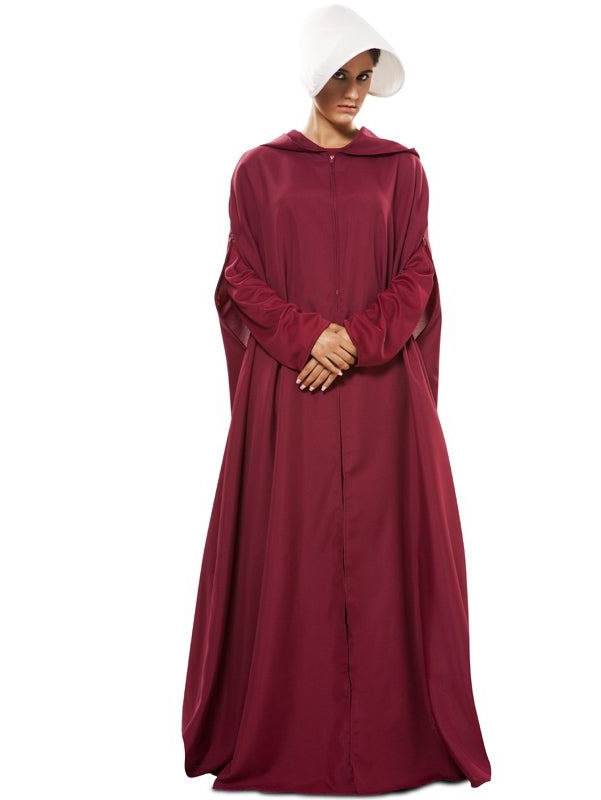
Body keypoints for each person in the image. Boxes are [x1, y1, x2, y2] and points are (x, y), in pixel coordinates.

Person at [182, 3, 491, 793]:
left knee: (391, 562)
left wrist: (352, 339)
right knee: (291, 556)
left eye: (365, 78)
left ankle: (399, 735)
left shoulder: (402, 169)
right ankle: (291, 732)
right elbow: (241, 276)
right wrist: (306, 337)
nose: (355, 92)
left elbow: (417, 272)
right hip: (293, 394)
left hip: (384, 400)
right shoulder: (258, 171)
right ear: (311, 75)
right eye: (342, 76)